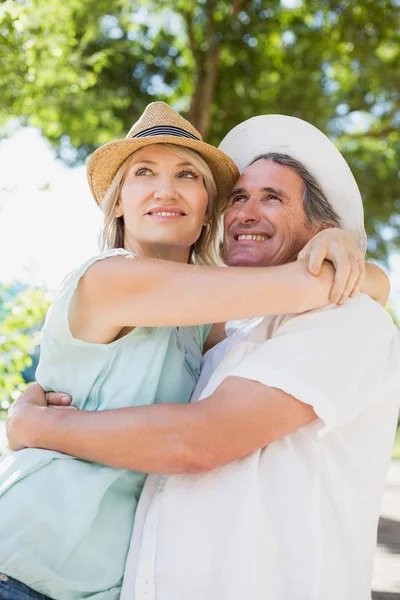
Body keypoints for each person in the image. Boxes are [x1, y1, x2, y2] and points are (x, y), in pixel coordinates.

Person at [5, 108, 391, 600]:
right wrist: (340, 251)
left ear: (208, 209)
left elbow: (341, 296)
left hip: (100, 587)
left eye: (186, 175)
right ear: (117, 204)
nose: (165, 189)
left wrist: (348, 254)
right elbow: (303, 284)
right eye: (143, 173)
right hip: (28, 565)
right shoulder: (108, 280)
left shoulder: (202, 331)